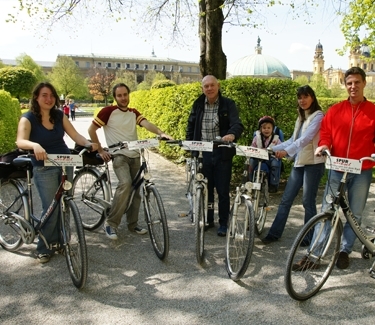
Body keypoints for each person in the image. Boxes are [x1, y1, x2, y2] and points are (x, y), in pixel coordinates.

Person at [16, 82, 98, 263]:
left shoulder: (59, 116)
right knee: (51, 208)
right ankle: (44, 247)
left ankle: (62, 242)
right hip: (43, 166)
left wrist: (88, 143)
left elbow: (75, 136)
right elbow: (20, 141)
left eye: (52, 95)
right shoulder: (28, 118)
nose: (49, 99)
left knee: (65, 205)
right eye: (44, 95)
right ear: (36, 97)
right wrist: (34, 145)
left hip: (65, 163)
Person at [88, 83, 173, 240]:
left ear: (129, 95)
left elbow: (146, 123)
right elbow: (91, 130)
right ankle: (111, 223)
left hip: (135, 155)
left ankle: (132, 224)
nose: (123, 98)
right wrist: (100, 149)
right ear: (115, 97)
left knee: (136, 191)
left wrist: (161, 133)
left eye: (125, 94)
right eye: (119, 95)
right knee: (125, 184)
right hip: (119, 155)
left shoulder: (133, 113)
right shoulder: (108, 111)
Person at [313, 67, 375, 269]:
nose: (353, 86)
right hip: (338, 167)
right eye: (349, 83)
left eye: (357, 82)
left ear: (364, 83)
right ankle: (315, 253)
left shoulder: (373, 111)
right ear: (345, 84)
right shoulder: (335, 110)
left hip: (362, 169)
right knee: (327, 209)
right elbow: (326, 133)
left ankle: (344, 250)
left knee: (354, 213)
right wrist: (323, 145)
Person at [261, 85, 325, 244]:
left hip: (314, 164)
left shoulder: (318, 116)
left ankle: (309, 237)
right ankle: (274, 233)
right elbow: (293, 139)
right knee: (286, 199)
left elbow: (306, 139)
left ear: (312, 97)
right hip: (300, 163)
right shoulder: (301, 117)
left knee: (308, 201)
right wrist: (270, 149)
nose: (302, 100)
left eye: (306, 97)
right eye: (300, 97)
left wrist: (286, 152)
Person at [186, 75, 244, 236]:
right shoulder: (198, 104)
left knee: (223, 190)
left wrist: (232, 134)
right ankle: (209, 219)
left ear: (218, 86)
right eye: (206, 86)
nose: (209, 89)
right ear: (202, 88)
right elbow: (191, 126)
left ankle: (224, 223)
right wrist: (190, 147)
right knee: (207, 189)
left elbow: (237, 124)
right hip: (204, 152)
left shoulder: (228, 104)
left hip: (222, 152)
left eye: (212, 85)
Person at [249, 116, 282, 193]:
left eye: (268, 128)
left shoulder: (276, 139)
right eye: (264, 128)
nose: (266, 130)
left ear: (272, 129)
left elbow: (281, 147)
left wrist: (279, 152)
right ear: (260, 129)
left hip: (271, 157)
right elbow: (252, 147)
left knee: (275, 163)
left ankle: (273, 184)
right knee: (250, 162)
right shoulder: (256, 138)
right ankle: (250, 182)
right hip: (258, 157)